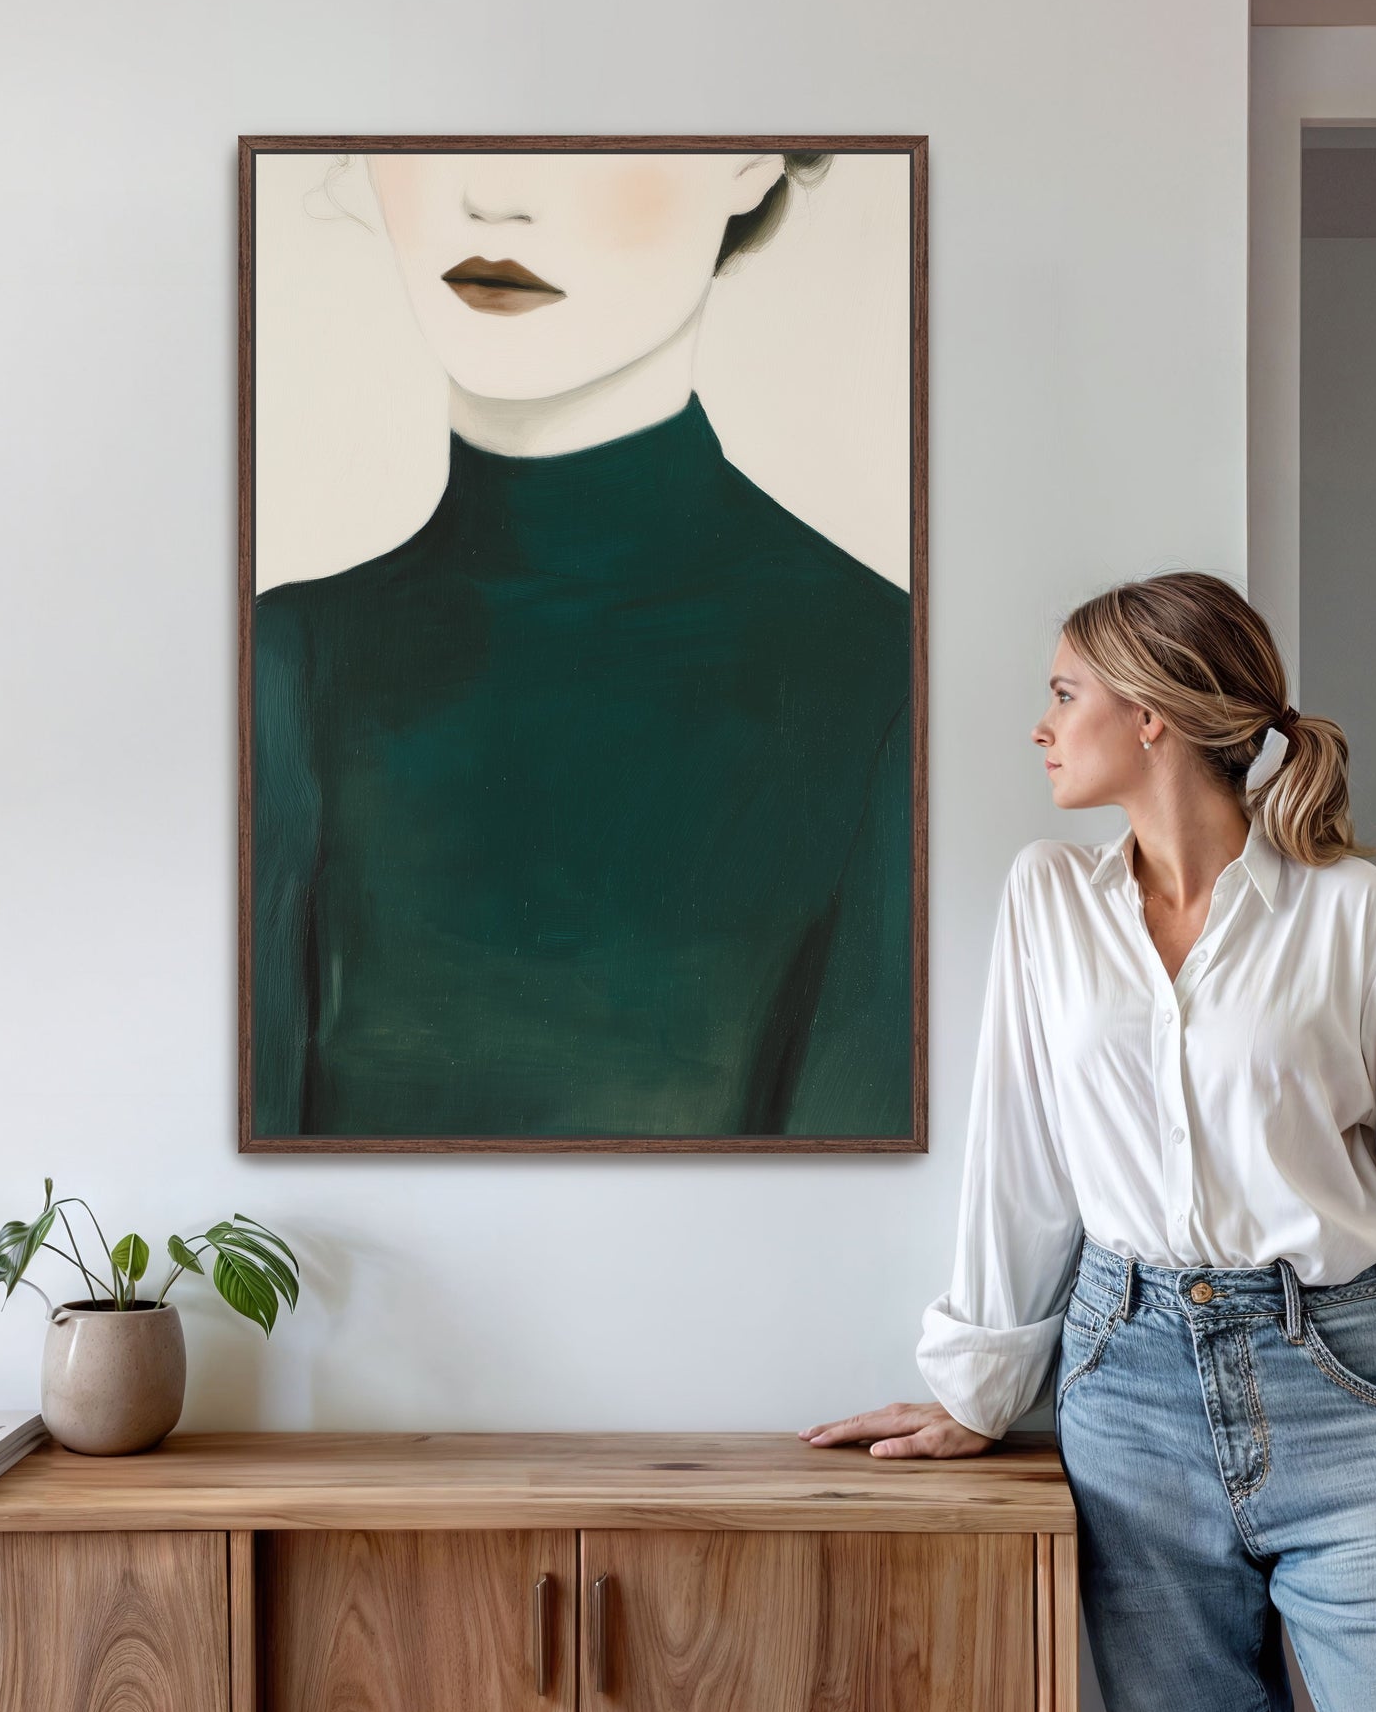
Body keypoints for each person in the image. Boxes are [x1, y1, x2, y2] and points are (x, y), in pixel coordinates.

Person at [801, 572, 1376, 1712]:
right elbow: (1017, 1160)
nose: (1039, 725)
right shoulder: (1046, 902)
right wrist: (981, 1386)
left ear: (1149, 717)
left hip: (1345, 1374)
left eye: (1062, 693)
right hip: (1124, 1385)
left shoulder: (1346, 910)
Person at [250, 152, 912, 1141]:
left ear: (749, 160)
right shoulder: (289, 656)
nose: (490, 195)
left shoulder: (877, 671)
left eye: (589, 138)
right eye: (435, 137)